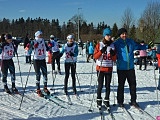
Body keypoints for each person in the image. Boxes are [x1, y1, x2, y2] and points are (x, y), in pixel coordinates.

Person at [113, 28, 147, 107]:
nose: (124, 35)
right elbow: (111, 49)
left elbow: (138, 46)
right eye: (122, 34)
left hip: (130, 68)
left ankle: (133, 100)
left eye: (125, 33)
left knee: (133, 84)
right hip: (121, 68)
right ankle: (120, 101)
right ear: (119, 35)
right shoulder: (117, 43)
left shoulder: (130, 41)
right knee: (121, 85)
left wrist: (147, 46)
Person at [94, 28, 116, 108]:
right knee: (100, 85)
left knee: (108, 85)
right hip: (100, 68)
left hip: (109, 68)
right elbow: (95, 57)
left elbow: (114, 59)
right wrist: (101, 51)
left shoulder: (113, 45)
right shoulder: (99, 44)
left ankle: (106, 100)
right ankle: (99, 99)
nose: (109, 36)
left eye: (110, 35)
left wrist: (113, 54)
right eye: (107, 35)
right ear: (104, 36)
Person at [29, 30, 50, 97]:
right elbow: (28, 50)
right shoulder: (33, 41)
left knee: (45, 73)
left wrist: (50, 48)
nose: (41, 36)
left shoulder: (44, 41)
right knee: (38, 74)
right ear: (36, 35)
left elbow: (48, 49)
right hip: (36, 60)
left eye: (41, 34)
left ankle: (45, 87)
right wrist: (32, 47)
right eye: (40, 35)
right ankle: (38, 89)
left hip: (42, 59)